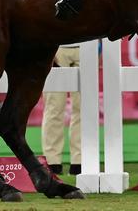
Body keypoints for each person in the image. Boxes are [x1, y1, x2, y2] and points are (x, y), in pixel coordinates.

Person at [41, 44, 82, 176]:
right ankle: (52, 162)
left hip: (87, 48)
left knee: (85, 108)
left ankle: (80, 161)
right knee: (54, 107)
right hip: (57, 47)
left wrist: (98, 47)